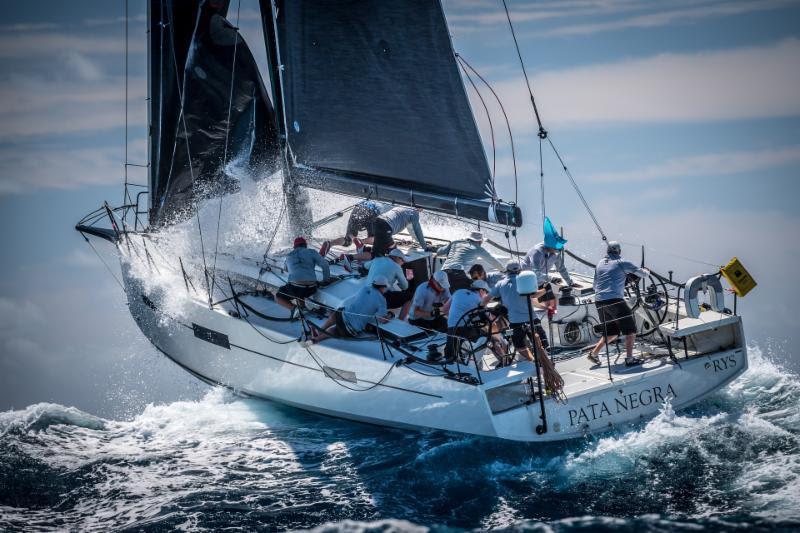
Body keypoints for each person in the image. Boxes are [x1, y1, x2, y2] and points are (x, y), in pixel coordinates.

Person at [483, 263, 564, 395]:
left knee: (519, 346)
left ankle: (533, 361)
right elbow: (534, 295)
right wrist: (547, 288)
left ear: (506, 271)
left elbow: (487, 298)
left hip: (515, 323)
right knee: (542, 347)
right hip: (532, 320)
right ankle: (546, 370)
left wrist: (480, 306)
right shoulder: (523, 280)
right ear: (519, 271)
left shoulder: (500, 284)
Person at [587, 241, 649, 366]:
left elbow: (595, 285)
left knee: (611, 333)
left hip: (599, 301)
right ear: (619, 251)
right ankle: (630, 359)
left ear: (607, 251)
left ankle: (593, 354)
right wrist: (646, 270)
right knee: (631, 330)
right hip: (614, 300)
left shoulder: (600, 263)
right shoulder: (623, 262)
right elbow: (643, 274)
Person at [312, 275, 392, 343]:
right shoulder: (382, 300)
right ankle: (317, 339)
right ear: (382, 287)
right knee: (335, 330)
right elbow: (382, 320)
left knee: (337, 313)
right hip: (351, 329)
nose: (384, 290)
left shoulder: (365, 288)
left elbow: (359, 301)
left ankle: (320, 330)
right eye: (385, 288)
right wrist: (390, 315)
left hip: (343, 316)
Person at [275, 236, 330, 315]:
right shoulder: (312, 252)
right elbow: (325, 265)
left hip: (296, 288)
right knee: (300, 289)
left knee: (278, 297)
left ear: (294, 247)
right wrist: (326, 280)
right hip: (311, 288)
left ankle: (294, 309)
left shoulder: (289, 255)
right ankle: (303, 308)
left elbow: (286, 269)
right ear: (305, 245)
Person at [437, 231, 503, 292]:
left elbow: (439, 252)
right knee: (475, 289)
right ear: (480, 241)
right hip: (457, 274)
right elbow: (493, 261)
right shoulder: (478, 248)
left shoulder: (455, 242)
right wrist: (505, 270)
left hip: (442, 272)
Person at [442, 279, 490, 362]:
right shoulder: (479, 300)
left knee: (451, 353)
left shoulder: (458, 292)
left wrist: (454, 319)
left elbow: (445, 309)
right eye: (486, 292)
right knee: (485, 337)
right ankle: (473, 362)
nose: (486, 295)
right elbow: (489, 318)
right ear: (481, 290)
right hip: (465, 330)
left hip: (451, 329)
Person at [522, 216, 576, 287]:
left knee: (551, 297)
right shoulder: (537, 252)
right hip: (527, 282)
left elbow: (561, 268)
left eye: (558, 249)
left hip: (541, 282)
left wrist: (570, 282)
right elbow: (535, 272)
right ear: (549, 245)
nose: (557, 251)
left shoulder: (556, 252)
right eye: (555, 249)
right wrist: (551, 279)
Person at [366, 248, 413, 319]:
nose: (403, 263)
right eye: (402, 260)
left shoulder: (377, 259)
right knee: (411, 297)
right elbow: (405, 287)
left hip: (367, 294)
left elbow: (365, 266)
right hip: (380, 298)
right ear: (397, 258)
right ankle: (400, 320)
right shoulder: (396, 266)